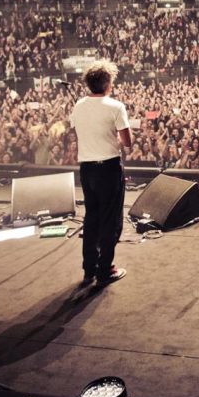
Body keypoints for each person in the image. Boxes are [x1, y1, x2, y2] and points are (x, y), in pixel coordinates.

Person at [70, 60, 132, 287]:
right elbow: (127, 142)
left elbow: (78, 132)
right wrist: (115, 138)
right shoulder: (115, 106)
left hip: (87, 169)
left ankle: (89, 269)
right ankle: (105, 269)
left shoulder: (78, 105)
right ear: (108, 83)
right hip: (108, 168)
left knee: (91, 218)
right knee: (110, 220)